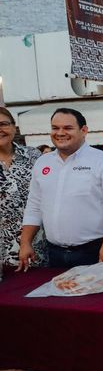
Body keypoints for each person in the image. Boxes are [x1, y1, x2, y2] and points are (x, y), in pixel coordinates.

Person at [19, 108, 103, 270]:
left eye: (68, 128)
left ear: (84, 130)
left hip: (94, 251)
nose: (60, 133)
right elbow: (34, 205)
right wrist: (25, 242)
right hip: (54, 252)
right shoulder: (43, 163)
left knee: (96, 296)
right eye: (55, 128)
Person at [0, 107, 46, 269]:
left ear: (14, 127)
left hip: (40, 246)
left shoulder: (34, 156)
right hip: (4, 253)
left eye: (4, 124)